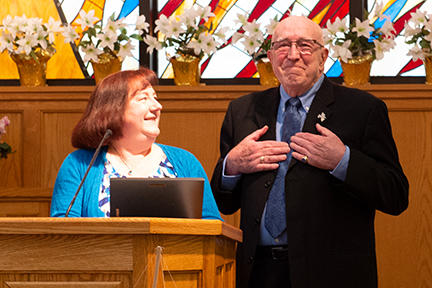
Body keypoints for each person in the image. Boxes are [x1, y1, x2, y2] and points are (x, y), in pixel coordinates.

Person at [211, 16, 409, 288]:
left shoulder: (362, 109)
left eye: (304, 45)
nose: (293, 55)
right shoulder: (242, 110)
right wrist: (231, 167)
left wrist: (343, 161)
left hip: (332, 274)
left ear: (323, 56)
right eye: (283, 46)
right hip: (258, 272)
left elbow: (395, 194)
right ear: (270, 56)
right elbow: (224, 203)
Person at [51, 67, 222, 220]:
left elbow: (213, 230)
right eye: (143, 99)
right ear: (113, 110)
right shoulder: (79, 164)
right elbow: (64, 230)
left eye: (155, 98)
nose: (157, 106)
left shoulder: (185, 162)